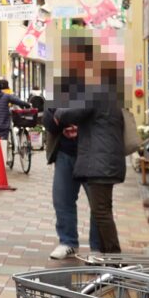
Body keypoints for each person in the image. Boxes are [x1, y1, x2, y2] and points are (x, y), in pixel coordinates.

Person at [52, 51, 125, 255]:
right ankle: (82, 246)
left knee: (100, 210)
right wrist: (57, 119)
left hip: (97, 159)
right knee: (71, 201)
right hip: (87, 157)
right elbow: (52, 117)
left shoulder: (97, 91)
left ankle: (110, 256)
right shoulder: (105, 93)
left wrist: (60, 114)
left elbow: (74, 112)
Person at [44, 43, 89, 259]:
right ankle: (68, 241)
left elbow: (98, 116)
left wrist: (66, 117)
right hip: (64, 153)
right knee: (62, 199)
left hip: (92, 154)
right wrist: (62, 120)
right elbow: (48, 119)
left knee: (98, 205)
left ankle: (99, 248)